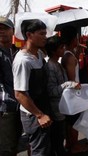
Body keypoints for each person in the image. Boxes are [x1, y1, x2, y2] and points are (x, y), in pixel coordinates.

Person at [12, 19, 52, 155]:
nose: (45, 38)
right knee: (39, 151)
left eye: (45, 34)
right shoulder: (22, 61)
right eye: (41, 34)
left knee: (42, 148)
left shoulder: (39, 54)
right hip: (33, 115)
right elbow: (19, 94)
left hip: (43, 109)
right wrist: (39, 115)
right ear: (29, 35)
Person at [44, 35, 80, 155]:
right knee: (57, 141)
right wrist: (68, 84)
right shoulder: (50, 67)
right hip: (56, 111)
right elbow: (51, 91)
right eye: (61, 48)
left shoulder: (57, 64)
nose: (63, 49)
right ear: (54, 50)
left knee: (60, 138)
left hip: (61, 109)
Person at [60, 26, 88, 154]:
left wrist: (77, 54)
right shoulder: (69, 57)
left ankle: (69, 144)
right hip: (73, 94)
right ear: (74, 39)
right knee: (74, 122)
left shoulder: (68, 54)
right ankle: (75, 146)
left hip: (69, 94)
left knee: (70, 122)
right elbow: (72, 80)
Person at [0, 16, 22, 156]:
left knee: (14, 146)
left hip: (17, 107)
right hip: (4, 109)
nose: (1, 31)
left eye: (5, 28)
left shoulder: (13, 52)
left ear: (12, 31)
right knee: (6, 149)